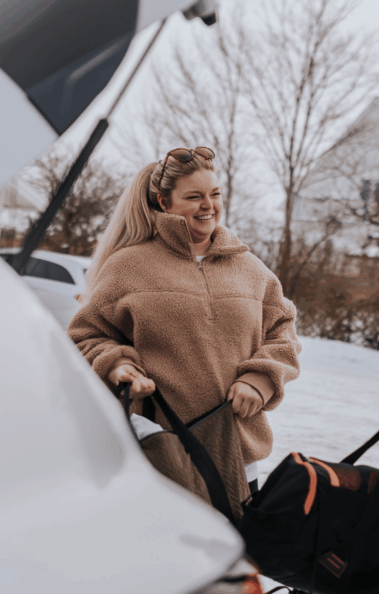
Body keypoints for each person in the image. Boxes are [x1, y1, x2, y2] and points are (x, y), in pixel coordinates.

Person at [68, 146, 301, 496]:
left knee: (229, 549)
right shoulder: (127, 267)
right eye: (194, 197)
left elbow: (283, 335)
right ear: (164, 202)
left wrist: (260, 380)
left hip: (237, 454)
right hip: (157, 451)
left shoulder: (252, 270)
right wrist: (118, 366)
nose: (208, 206)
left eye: (215, 194)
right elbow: (85, 337)